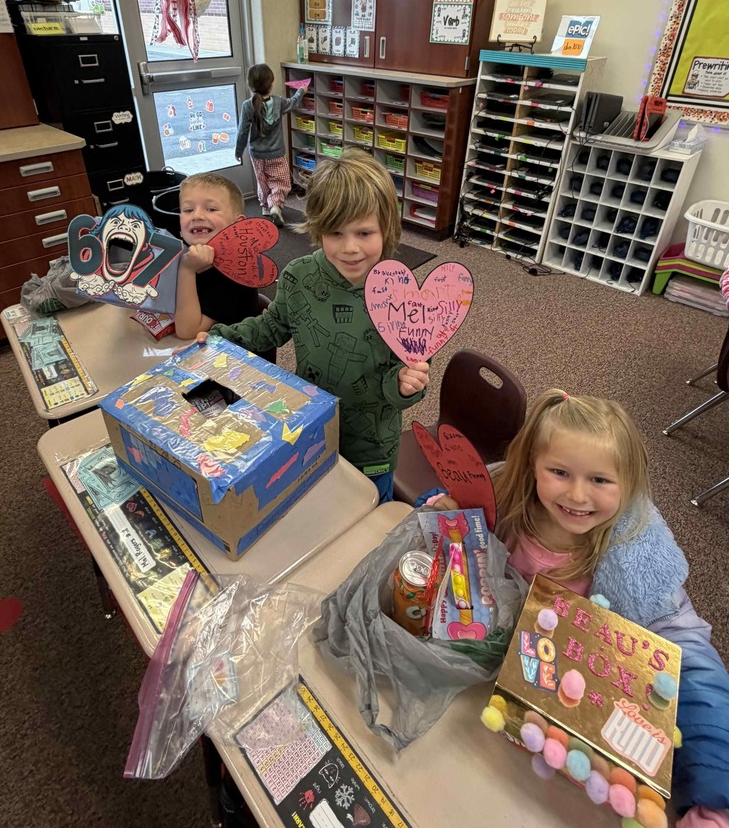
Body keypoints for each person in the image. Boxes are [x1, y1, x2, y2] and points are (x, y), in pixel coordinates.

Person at [421, 389, 729, 826]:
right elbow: (444, 523)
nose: (578, 495)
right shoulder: (504, 499)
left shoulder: (634, 552)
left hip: (562, 719)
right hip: (479, 689)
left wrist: (717, 792)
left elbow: (690, 661)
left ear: (631, 483)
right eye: (560, 472)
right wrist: (443, 514)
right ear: (532, 466)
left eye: (600, 480)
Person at [197, 149, 430, 503]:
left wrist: (406, 385)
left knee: (366, 520)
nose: (350, 248)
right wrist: (219, 337)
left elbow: (407, 374)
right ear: (318, 230)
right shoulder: (299, 276)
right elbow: (272, 327)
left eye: (364, 233)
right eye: (335, 233)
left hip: (371, 448)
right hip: (310, 426)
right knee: (313, 508)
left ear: (387, 228)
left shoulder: (402, 294)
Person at [174, 172, 259, 339]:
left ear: (238, 224)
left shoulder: (236, 273)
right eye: (188, 210)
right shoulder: (184, 251)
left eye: (211, 209)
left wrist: (187, 270)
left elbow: (188, 332)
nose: (197, 216)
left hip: (228, 359)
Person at [235, 63, 307, 227]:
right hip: (276, 153)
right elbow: (293, 103)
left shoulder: (247, 105)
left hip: (257, 154)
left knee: (263, 181)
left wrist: (239, 150)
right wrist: (301, 90)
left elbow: (242, 132)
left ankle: (265, 207)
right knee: (280, 182)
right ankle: (275, 206)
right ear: (271, 83)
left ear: (250, 85)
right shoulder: (278, 102)